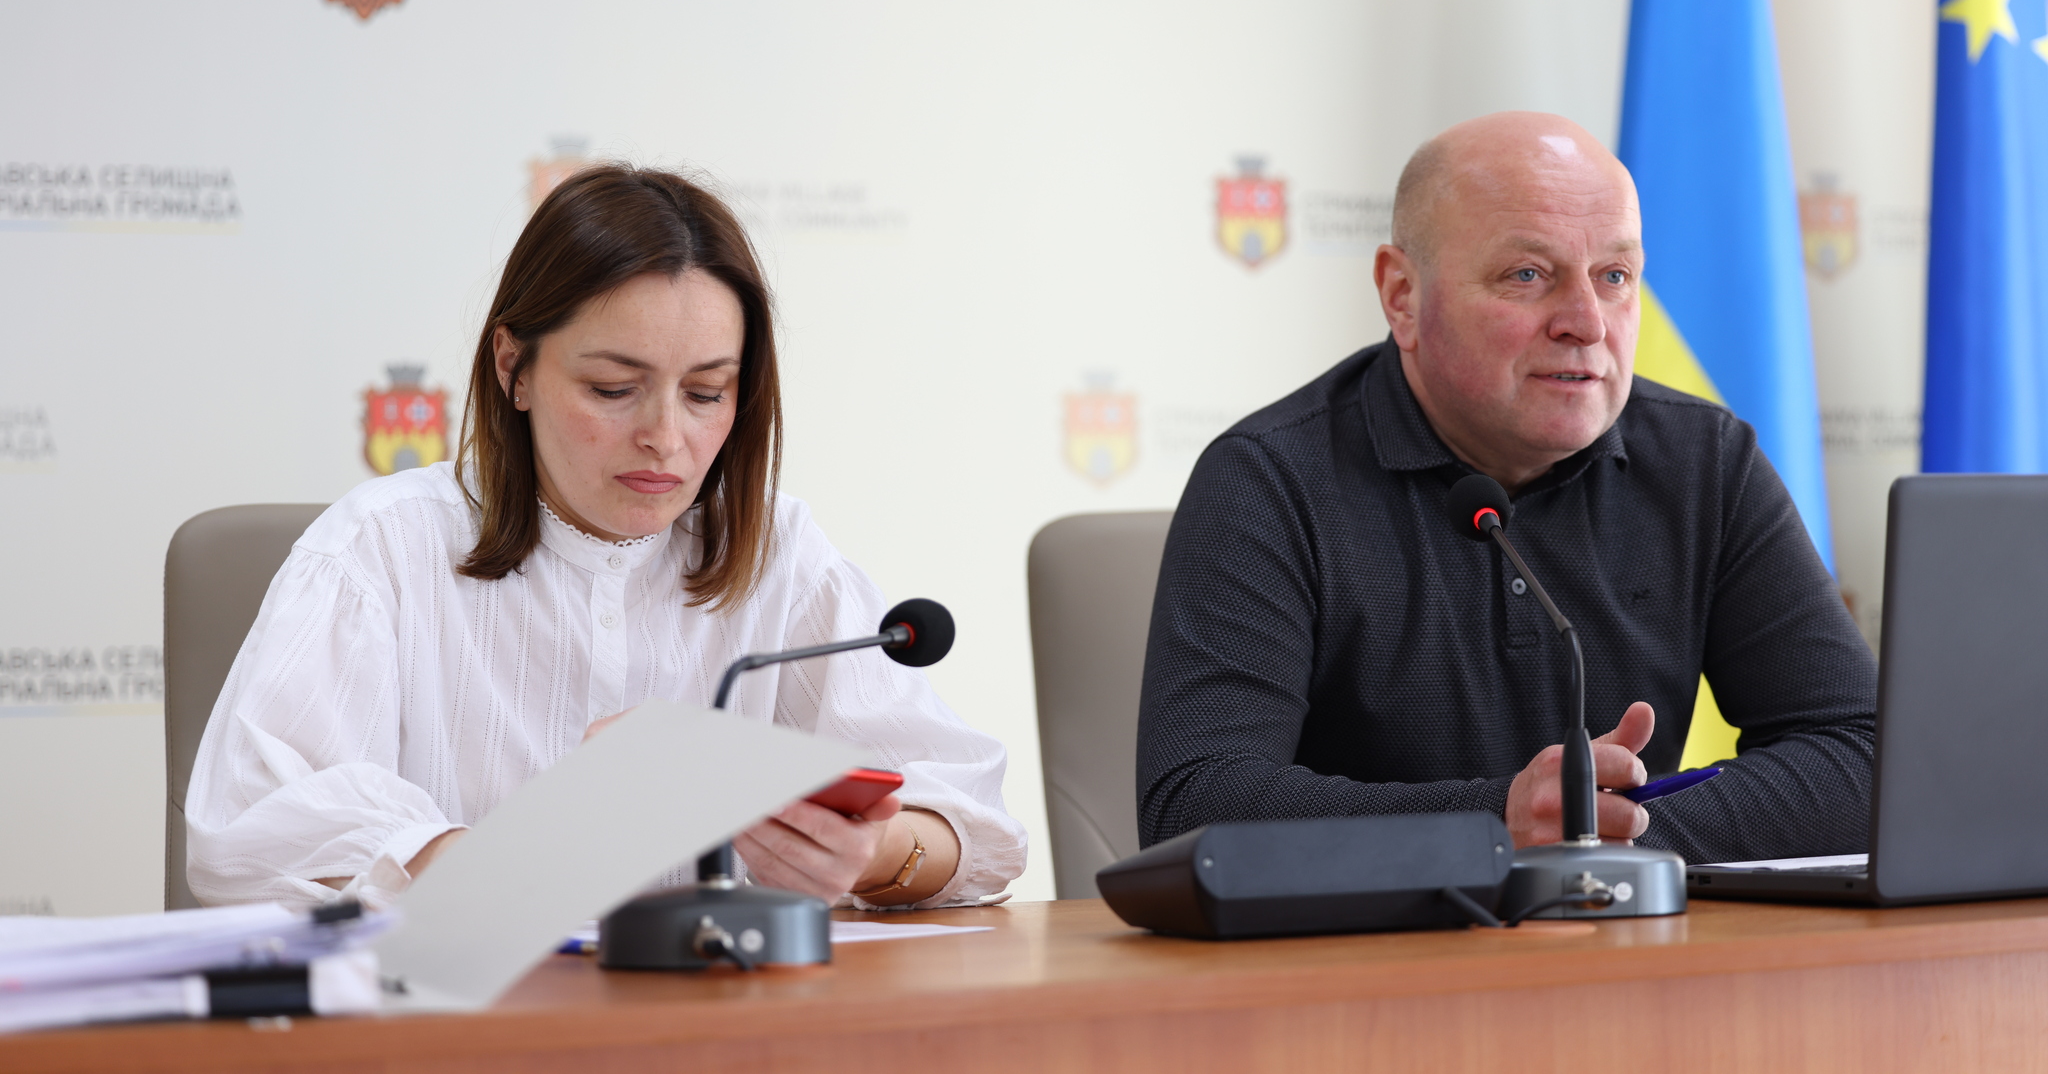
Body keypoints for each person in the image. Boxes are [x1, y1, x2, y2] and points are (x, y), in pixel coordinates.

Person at [187, 166, 1025, 910]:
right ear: (514, 368)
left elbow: (974, 820)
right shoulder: (380, 549)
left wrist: (872, 853)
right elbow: (255, 826)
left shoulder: (781, 552)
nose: (665, 437)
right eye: (615, 388)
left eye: (706, 394)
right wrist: (516, 867)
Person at [1137, 112, 1877, 864]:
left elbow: (1867, 755)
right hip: (1377, 937)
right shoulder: (1267, 480)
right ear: (1402, 296)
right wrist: (1495, 826)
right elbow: (1195, 806)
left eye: (1614, 277)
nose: (1587, 323)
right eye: (1527, 275)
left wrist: (1600, 834)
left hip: (1628, 931)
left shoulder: (1705, 460)